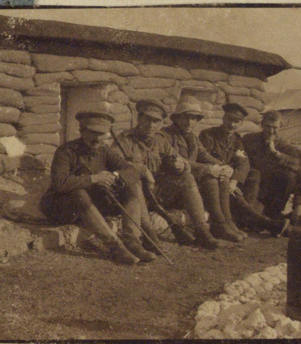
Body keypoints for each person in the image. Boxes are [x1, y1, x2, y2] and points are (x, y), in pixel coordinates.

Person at [39, 110, 157, 265]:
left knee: (130, 187)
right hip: (62, 208)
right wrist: (94, 179)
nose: (97, 139)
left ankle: (132, 242)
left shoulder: (104, 150)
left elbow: (130, 170)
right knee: (78, 192)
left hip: (89, 208)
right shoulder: (66, 151)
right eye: (92, 133)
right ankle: (115, 248)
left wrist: (115, 176)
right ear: (82, 131)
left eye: (102, 134)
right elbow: (59, 184)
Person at [114, 99, 225, 250]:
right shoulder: (124, 140)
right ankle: (148, 235)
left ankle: (202, 231)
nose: (151, 125)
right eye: (148, 119)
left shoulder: (160, 140)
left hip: (155, 191)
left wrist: (179, 165)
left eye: (156, 121)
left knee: (186, 178)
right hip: (132, 194)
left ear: (161, 123)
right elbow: (114, 164)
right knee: (135, 182)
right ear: (139, 118)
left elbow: (180, 160)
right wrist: (141, 169)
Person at [162, 96, 245, 242]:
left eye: (194, 118)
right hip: (171, 185)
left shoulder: (192, 137)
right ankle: (219, 223)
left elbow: (204, 155)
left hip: (188, 185)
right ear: (177, 118)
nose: (190, 122)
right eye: (186, 117)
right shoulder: (166, 135)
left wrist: (224, 167)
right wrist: (209, 169)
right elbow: (178, 160)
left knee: (221, 175)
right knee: (210, 177)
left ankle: (226, 221)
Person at [198, 103, 289, 237]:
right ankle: (269, 224)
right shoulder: (208, 135)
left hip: (227, 180)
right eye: (229, 119)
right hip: (210, 180)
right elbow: (202, 158)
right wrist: (225, 171)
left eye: (236, 122)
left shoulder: (236, 139)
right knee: (233, 193)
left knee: (254, 174)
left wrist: (234, 181)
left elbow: (243, 162)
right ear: (223, 118)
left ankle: (249, 218)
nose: (232, 124)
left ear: (241, 124)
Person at [241, 110, 301, 219]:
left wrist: (275, 153)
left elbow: (297, 165)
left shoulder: (283, 144)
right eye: (268, 126)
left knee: (289, 176)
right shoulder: (249, 139)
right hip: (250, 183)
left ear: (280, 127)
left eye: (275, 127)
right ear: (262, 124)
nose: (271, 131)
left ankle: (274, 213)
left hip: (271, 190)